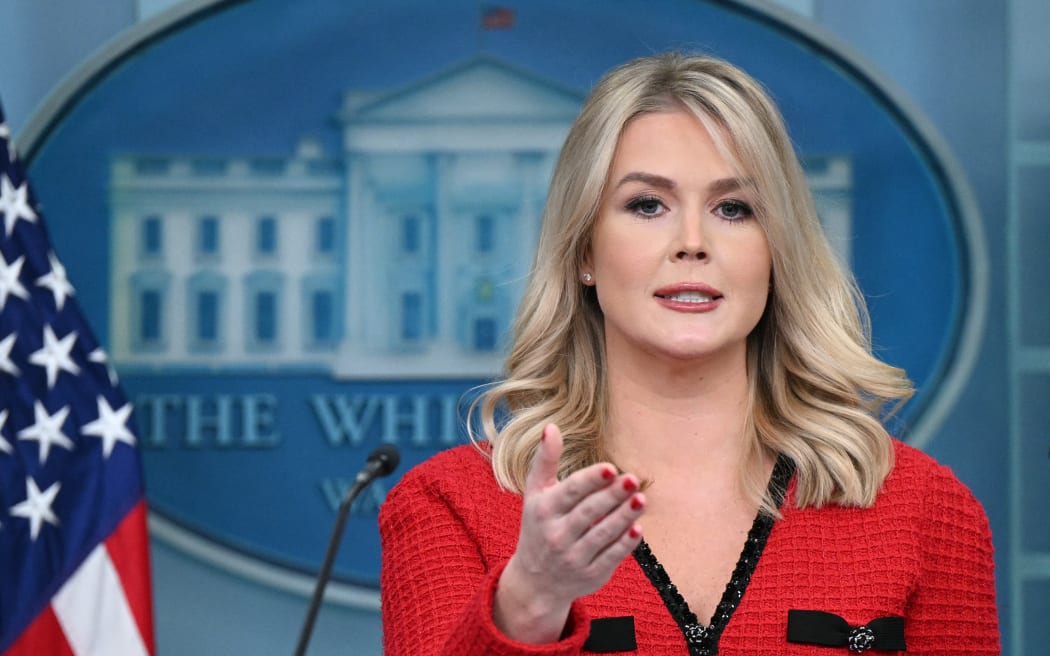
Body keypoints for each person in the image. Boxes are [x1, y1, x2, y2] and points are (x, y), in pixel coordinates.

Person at [379, 53, 999, 655]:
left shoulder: (926, 510)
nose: (693, 243)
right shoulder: (449, 506)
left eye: (734, 209)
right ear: (584, 254)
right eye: (647, 205)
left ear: (777, 251)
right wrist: (531, 603)